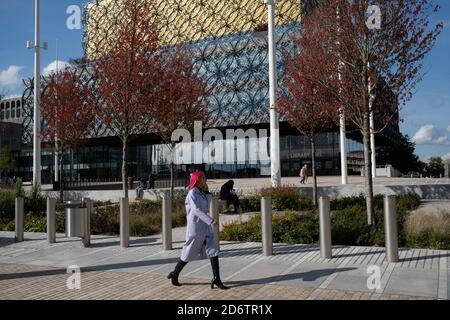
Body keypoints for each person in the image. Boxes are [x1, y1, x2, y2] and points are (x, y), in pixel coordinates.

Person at [167, 171, 229, 290]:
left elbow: (206, 205)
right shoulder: (192, 193)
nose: (205, 179)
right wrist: (210, 220)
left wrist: (207, 192)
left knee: (213, 251)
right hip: (196, 228)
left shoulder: (201, 192)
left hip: (205, 228)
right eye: (203, 178)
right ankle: (175, 274)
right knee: (188, 253)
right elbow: (196, 210)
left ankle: (217, 279)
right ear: (197, 180)